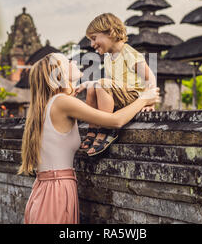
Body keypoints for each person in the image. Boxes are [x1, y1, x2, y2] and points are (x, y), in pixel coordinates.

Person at [17, 52, 159, 224]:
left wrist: (92, 88)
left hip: (48, 189)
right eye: (68, 61)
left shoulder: (50, 104)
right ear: (59, 74)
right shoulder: (62, 102)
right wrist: (144, 99)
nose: (74, 61)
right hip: (55, 192)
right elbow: (115, 121)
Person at [75, 13, 157, 156]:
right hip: (118, 95)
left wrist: (150, 102)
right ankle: (93, 128)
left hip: (133, 96)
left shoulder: (128, 53)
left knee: (100, 84)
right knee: (92, 89)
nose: (92, 44)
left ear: (110, 32)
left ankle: (107, 129)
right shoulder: (107, 58)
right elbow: (109, 84)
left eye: (94, 38)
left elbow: (150, 78)